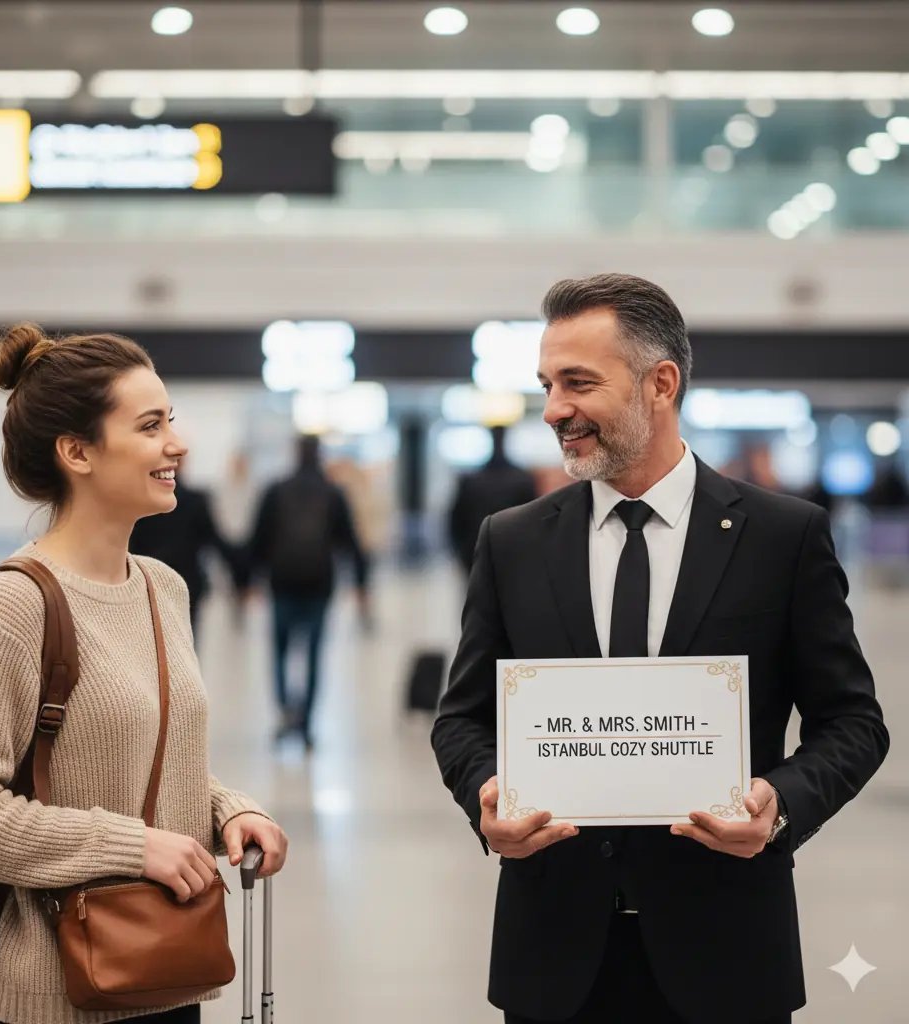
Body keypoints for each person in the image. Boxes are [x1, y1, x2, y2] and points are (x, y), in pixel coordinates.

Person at [431, 274, 889, 1024]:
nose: (554, 410)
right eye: (547, 384)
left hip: (728, 951)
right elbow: (460, 720)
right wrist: (485, 792)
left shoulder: (783, 537)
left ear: (660, 384)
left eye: (578, 382)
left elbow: (854, 724)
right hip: (553, 957)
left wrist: (778, 807)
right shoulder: (512, 541)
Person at [0, 323, 288, 1024]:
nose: (177, 443)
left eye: (170, 420)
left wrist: (225, 809)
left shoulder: (161, 588)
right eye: (150, 426)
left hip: (168, 975)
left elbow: (130, 754)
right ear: (76, 451)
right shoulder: (14, 603)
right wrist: (134, 847)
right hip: (54, 996)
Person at [245, 434, 369, 749]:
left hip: (282, 582)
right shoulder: (333, 493)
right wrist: (360, 583)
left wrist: (247, 581)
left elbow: (258, 538)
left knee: (280, 652)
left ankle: (286, 712)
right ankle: (308, 723)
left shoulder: (275, 490)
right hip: (319, 585)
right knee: (314, 654)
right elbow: (350, 542)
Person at [130, 460, 246, 642]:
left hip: (147, 585)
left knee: (150, 647)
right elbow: (215, 540)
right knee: (185, 646)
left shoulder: (141, 501)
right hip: (187, 585)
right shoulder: (195, 500)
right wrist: (243, 569)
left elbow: (129, 544)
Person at [448, 425, 537, 576]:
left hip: (491, 554)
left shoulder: (472, 481)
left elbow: (455, 522)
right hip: (495, 554)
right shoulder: (521, 479)